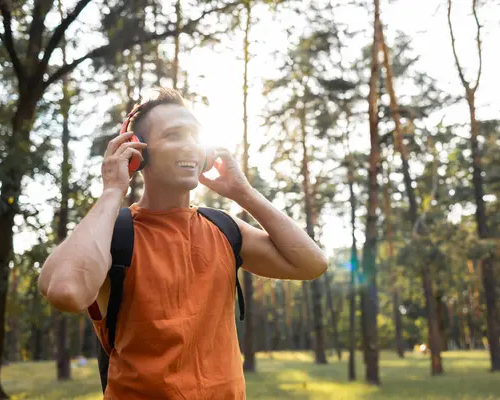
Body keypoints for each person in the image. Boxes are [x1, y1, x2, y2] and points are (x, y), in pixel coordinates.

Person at [38, 88, 328, 399]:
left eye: (195, 135)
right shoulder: (114, 232)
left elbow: (311, 264)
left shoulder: (224, 228)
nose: (190, 145)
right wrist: (112, 191)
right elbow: (66, 292)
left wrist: (243, 192)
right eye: (174, 135)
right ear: (139, 153)